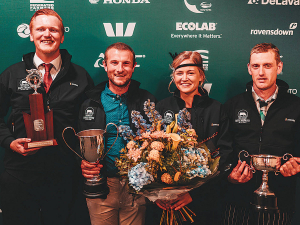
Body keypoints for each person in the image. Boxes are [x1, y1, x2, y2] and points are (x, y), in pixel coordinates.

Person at [0, 9, 94, 225]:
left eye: (53, 29)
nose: (47, 34)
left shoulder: (80, 76)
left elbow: (88, 124)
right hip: (19, 173)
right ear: (31, 34)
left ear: (62, 36)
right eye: (40, 29)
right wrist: (9, 142)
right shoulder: (11, 74)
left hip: (65, 175)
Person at [79, 42, 156, 225]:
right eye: (114, 63)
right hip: (102, 185)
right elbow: (79, 143)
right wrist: (82, 162)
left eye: (126, 63)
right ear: (105, 65)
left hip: (137, 187)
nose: (120, 69)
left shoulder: (147, 100)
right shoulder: (89, 103)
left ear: (133, 67)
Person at [222, 43, 300, 225]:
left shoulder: (296, 106)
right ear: (249, 69)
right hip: (236, 201)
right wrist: (229, 175)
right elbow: (222, 149)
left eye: (267, 65)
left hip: (280, 202)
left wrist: (297, 164)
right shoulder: (232, 105)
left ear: (279, 67)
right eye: (256, 66)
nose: (261, 72)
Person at [152, 51, 232, 225]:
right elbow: (151, 152)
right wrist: (159, 194)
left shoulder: (217, 109)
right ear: (173, 77)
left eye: (191, 73)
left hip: (207, 202)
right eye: (179, 73)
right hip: (168, 203)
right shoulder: (161, 106)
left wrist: (193, 194)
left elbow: (225, 155)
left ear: (201, 76)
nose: (184, 78)